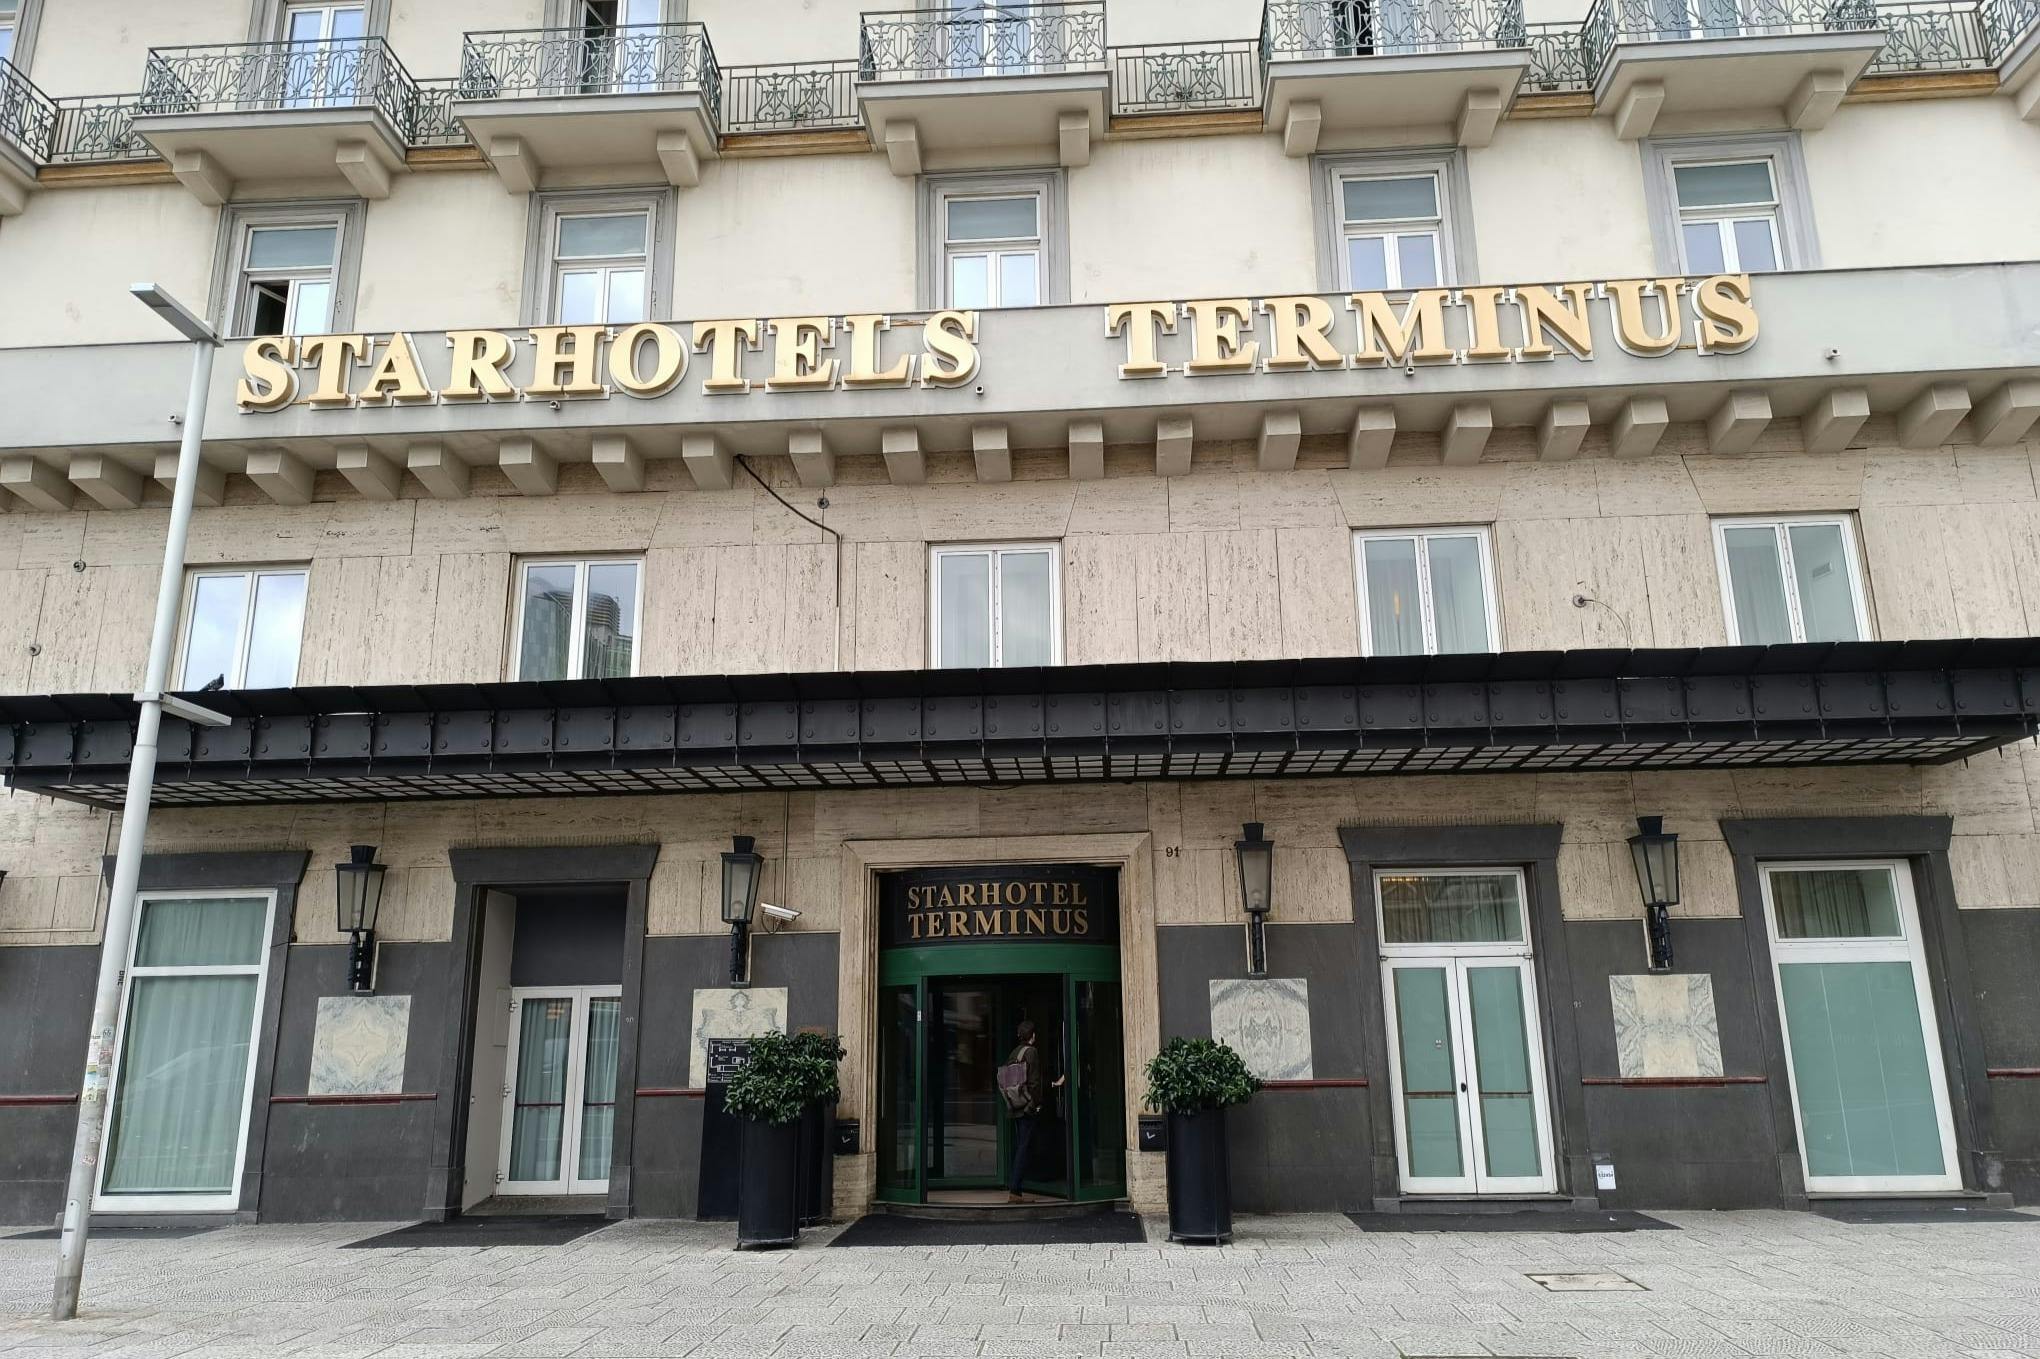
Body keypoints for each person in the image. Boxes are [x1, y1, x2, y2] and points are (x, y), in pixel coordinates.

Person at [1005, 1019, 1064, 1202]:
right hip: (1027, 1109)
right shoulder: (1032, 1052)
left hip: (1016, 1107)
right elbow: (1034, 1083)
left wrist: (1053, 1083)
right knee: (1024, 1147)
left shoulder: (1014, 1053)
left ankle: (1016, 1189)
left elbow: (1009, 1082)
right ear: (1032, 1036)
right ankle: (1015, 1190)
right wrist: (1035, 1106)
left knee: (1024, 1146)